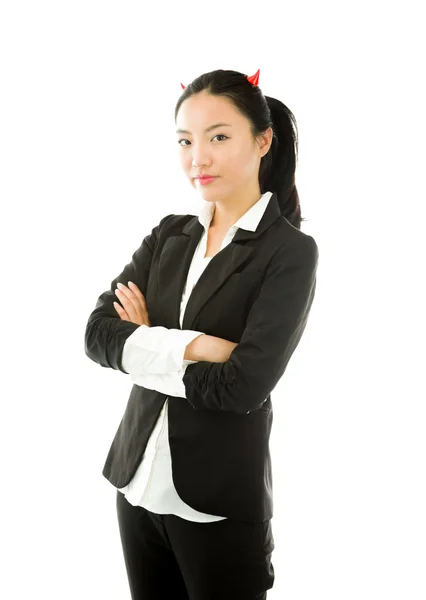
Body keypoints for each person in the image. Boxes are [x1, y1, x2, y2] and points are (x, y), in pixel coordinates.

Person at [84, 68, 319, 600]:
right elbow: (97, 334)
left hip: (217, 502)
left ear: (262, 141)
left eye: (218, 137)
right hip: (137, 485)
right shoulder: (170, 233)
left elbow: (243, 386)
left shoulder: (288, 252)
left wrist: (145, 341)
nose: (198, 157)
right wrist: (194, 346)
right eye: (185, 141)